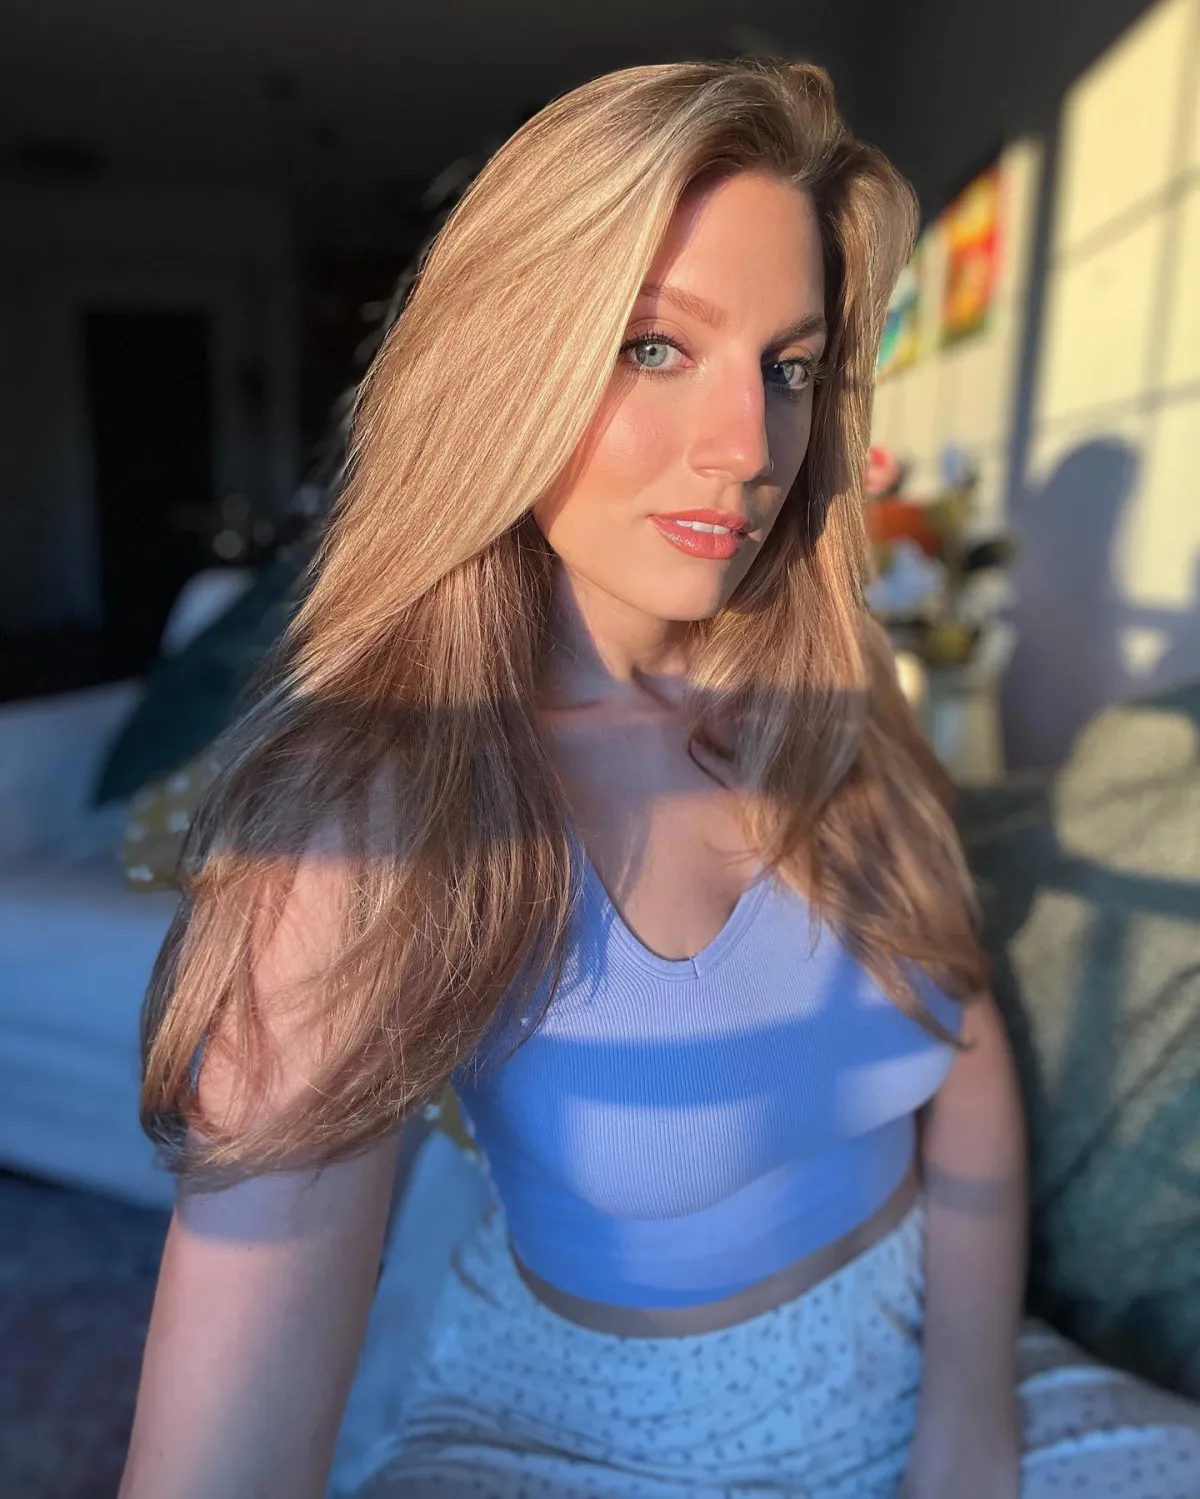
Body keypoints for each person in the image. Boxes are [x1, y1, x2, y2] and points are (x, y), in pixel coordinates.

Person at [118, 58, 1200, 1499]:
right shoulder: (379, 816)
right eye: (653, 345)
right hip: (592, 1430)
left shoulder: (826, 697)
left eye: (790, 367)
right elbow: (220, 1463)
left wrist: (968, 1425)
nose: (748, 448)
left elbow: (968, 1047)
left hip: (945, 1344)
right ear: (503, 367)